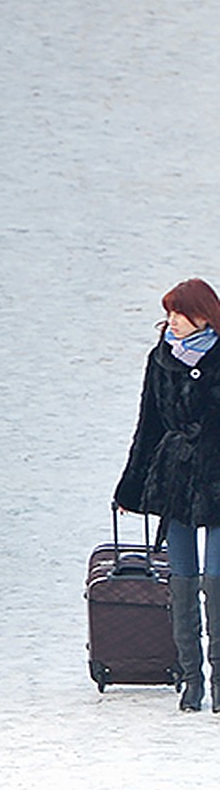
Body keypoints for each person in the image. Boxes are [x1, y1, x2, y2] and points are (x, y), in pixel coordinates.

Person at [115, 277, 220, 712]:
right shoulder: (160, 360)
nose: (171, 322)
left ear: (203, 316)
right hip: (174, 479)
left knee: (215, 579)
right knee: (181, 579)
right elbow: (149, 426)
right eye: (169, 313)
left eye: (179, 313)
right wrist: (131, 487)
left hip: (216, 477)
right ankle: (190, 679)